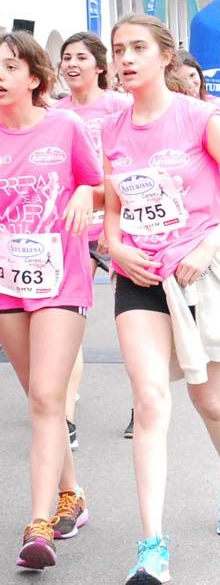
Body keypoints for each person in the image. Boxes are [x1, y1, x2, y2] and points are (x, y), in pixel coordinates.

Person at [103, 14, 220, 585]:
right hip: (138, 281)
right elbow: (113, 217)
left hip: (198, 275)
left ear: (165, 56)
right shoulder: (111, 129)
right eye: (118, 48)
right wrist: (117, 250)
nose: (124, 58)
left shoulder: (201, 117)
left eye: (137, 48)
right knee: (149, 402)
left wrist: (208, 246)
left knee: (209, 400)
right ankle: (152, 546)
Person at [0, 31, 103, 571]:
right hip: (6, 281)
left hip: (61, 280)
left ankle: (38, 525)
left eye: (9, 67)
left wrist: (86, 191)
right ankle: (71, 494)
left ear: (34, 78)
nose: (0, 76)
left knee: (47, 394)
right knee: (38, 400)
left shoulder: (65, 126)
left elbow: (103, 186)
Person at [55, 31, 132, 450]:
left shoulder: (119, 107)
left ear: (100, 67)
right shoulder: (53, 111)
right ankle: (65, 416)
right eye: (66, 57)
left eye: (80, 57)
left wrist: (111, 225)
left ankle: (144, 402)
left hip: (122, 227)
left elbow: (127, 165)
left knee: (132, 323)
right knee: (67, 324)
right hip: (71, 230)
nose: (71, 64)